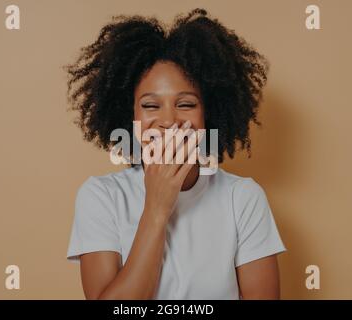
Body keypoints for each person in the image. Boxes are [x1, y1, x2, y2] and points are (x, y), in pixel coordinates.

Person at [65, 8, 286, 299]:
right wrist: (156, 208)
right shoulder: (101, 196)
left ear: (210, 114)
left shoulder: (242, 198)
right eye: (151, 105)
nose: (169, 121)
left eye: (186, 104)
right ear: (128, 116)